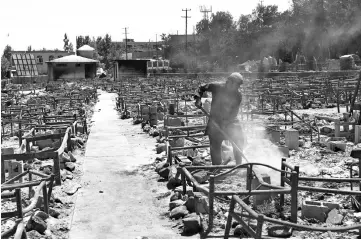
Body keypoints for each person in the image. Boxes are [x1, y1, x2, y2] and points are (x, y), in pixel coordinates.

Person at [194, 72, 245, 165]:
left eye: (239, 86)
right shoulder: (217, 87)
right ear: (230, 82)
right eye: (236, 85)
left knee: (239, 139)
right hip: (215, 121)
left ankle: (239, 166)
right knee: (215, 146)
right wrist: (198, 99)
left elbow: (233, 113)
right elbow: (201, 87)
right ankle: (217, 168)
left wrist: (225, 123)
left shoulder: (238, 95)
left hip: (230, 121)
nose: (237, 88)